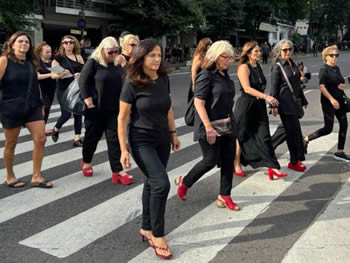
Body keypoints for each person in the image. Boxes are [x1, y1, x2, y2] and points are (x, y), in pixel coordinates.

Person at [118, 39, 180, 259]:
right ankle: (157, 234)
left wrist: (173, 134)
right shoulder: (132, 83)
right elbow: (123, 117)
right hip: (141, 140)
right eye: (152, 55)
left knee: (151, 183)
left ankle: (145, 227)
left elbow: (169, 108)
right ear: (141, 57)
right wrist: (123, 149)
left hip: (162, 138)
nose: (156, 59)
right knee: (161, 184)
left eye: (159, 55)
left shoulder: (162, 78)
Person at [175, 40, 240, 211]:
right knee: (209, 161)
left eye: (230, 57)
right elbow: (198, 103)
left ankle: (225, 195)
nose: (228, 60)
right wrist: (208, 128)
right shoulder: (206, 75)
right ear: (215, 57)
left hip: (227, 125)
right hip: (209, 125)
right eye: (225, 57)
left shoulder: (225, 75)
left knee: (228, 161)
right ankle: (185, 183)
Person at [0, 31, 53, 188]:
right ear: (12, 44)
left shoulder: (31, 62)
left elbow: (36, 84)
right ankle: (10, 176)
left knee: (41, 139)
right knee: (11, 143)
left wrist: (41, 103)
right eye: (20, 41)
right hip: (11, 107)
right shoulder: (4, 61)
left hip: (33, 106)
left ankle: (36, 176)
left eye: (26, 42)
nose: (24, 44)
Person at [79, 36, 133, 184]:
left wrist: (125, 65)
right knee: (92, 137)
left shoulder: (117, 63)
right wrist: (87, 100)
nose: (114, 55)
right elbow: (82, 80)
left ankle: (117, 171)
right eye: (110, 52)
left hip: (113, 108)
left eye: (116, 51)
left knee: (114, 139)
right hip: (95, 108)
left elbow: (127, 80)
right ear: (102, 50)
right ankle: (87, 161)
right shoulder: (93, 62)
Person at [233, 41, 286, 180]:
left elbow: (261, 87)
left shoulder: (259, 66)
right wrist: (267, 97)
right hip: (246, 106)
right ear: (248, 53)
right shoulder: (244, 67)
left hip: (259, 106)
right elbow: (247, 88)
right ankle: (236, 164)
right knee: (241, 136)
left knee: (265, 135)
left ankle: (273, 167)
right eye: (256, 51)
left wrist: (271, 103)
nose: (259, 53)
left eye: (259, 51)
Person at [304, 45, 350, 161]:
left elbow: (341, 83)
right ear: (326, 56)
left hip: (340, 101)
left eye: (336, 55)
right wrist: (331, 99)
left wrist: (342, 86)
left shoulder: (337, 68)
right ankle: (305, 140)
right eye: (332, 55)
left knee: (344, 124)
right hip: (329, 102)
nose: (334, 57)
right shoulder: (324, 69)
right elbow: (322, 87)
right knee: (328, 128)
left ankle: (340, 151)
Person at [270, 40, 307, 172]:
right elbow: (273, 87)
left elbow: (297, 85)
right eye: (285, 50)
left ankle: (267, 151)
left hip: (293, 102)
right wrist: (273, 105)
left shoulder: (292, 64)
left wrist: (303, 100)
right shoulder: (278, 66)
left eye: (290, 49)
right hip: (285, 104)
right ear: (279, 51)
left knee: (290, 132)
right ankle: (293, 161)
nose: (287, 52)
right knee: (293, 133)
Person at [51, 35, 84, 147]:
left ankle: (77, 139)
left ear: (75, 44)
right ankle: (56, 128)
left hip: (76, 88)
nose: (68, 44)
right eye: (65, 42)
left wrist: (80, 74)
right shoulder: (58, 58)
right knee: (66, 114)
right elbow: (53, 76)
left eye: (71, 42)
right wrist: (62, 73)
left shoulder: (78, 56)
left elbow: (85, 71)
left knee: (78, 113)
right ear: (62, 44)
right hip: (63, 89)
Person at [35, 41, 57, 135]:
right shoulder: (37, 62)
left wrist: (64, 72)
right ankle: (39, 129)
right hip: (40, 88)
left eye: (50, 52)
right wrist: (51, 74)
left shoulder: (52, 62)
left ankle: (42, 127)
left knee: (47, 108)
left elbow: (59, 73)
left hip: (51, 88)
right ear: (40, 52)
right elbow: (37, 76)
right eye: (47, 52)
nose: (49, 54)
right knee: (45, 107)